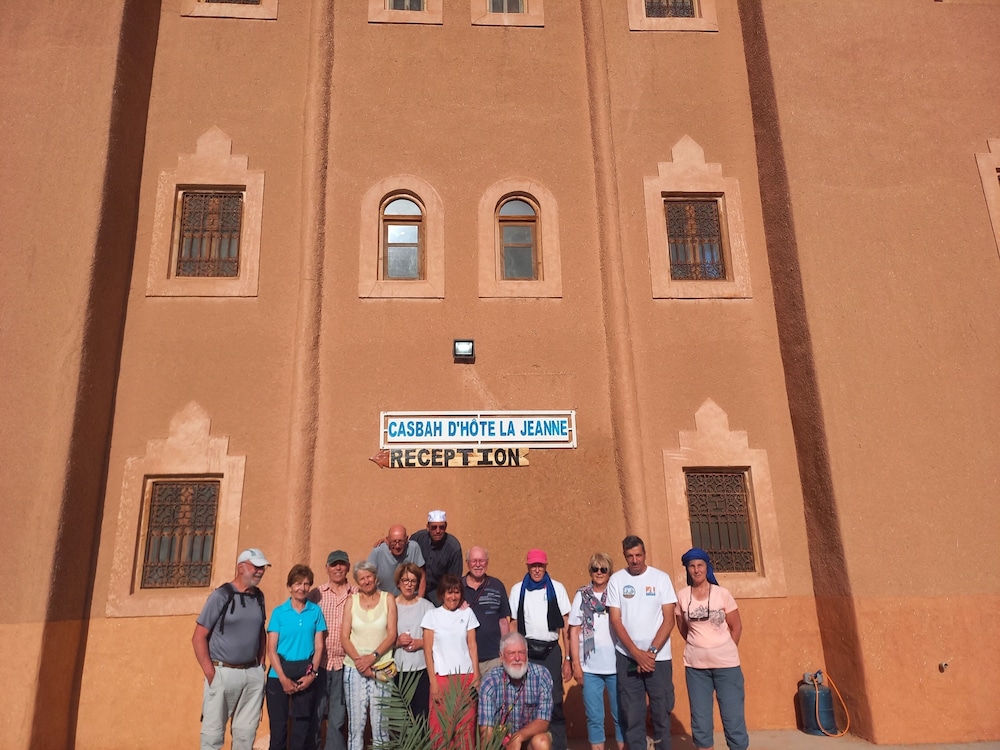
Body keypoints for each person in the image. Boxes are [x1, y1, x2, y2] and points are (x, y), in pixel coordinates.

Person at [193, 548, 270, 750]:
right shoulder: (221, 595)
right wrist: (211, 674)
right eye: (256, 567)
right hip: (223, 673)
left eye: (263, 568)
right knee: (213, 736)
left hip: (251, 674)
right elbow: (198, 637)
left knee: (246, 735)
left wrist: (260, 666)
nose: (260, 572)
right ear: (241, 567)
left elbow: (261, 630)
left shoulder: (259, 597)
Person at [607, 535, 678, 750]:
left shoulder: (661, 579)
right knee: (633, 715)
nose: (635, 560)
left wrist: (651, 652)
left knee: (661, 712)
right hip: (628, 657)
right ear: (625, 557)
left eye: (638, 555)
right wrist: (636, 653)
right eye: (630, 556)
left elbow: (669, 619)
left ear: (645, 554)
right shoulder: (616, 580)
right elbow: (615, 620)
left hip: (659, 659)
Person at [675, 548, 747, 750]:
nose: (696, 570)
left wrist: (725, 648)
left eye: (700, 565)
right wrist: (699, 644)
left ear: (707, 567)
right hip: (696, 668)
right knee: (701, 722)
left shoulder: (722, 594)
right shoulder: (682, 596)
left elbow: (736, 626)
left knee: (733, 719)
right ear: (687, 569)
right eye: (692, 566)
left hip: (727, 667)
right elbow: (683, 628)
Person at [508, 549, 571, 750]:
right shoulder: (518, 589)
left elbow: (566, 625)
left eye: (540, 566)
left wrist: (568, 658)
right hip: (526, 653)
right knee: (526, 700)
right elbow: (513, 624)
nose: (537, 569)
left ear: (545, 566)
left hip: (551, 652)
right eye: (533, 566)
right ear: (527, 566)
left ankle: (559, 746)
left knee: (554, 701)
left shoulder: (557, 588)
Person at [265, 564, 327, 750]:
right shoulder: (279, 612)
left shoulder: (315, 611)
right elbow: (271, 649)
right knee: (279, 729)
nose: (302, 588)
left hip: (305, 675)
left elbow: (319, 646)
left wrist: (312, 675)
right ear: (290, 586)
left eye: (307, 584)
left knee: (302, 728)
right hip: (278, 676)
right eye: (298, 583)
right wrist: (283, 679)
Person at [568, 553, 624, 750]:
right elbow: (573, 632)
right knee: (594, 718)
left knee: (621, 716)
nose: (599, 573)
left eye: (603, 569)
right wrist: (576, 664)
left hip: (617, 666)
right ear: (590, 571)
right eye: (595, 569)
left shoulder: (617, 595)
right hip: (590, 667)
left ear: (610, 571)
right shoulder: (581, 595)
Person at [341, 560, 398, 750]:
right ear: (357, 582)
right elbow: (344, 637)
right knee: (355, 727)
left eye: (369, 576)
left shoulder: (387, 598)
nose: (366, 581)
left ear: (375, 577)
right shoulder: (352, 601)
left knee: (381, 726)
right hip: (354, 668)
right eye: (362, 578)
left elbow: (392, 634)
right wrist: (360, 662)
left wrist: (372, 658)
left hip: (381, 667)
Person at [421, 573, 480, 750]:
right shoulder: (432, 616)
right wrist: (433, 682)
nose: (453, 597)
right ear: (442, 594)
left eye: (456, 593)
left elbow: (472, 646)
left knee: (466, 726)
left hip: (465, 678)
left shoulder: (467, 613)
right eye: (449, 593)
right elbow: (428, 651)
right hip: (442, 678)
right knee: (440, 727)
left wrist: (476, 675)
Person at [309, 550, 358, 750]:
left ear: (347, 566)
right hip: (319, 663)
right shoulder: (316, 594)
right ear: (327, 568)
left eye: (341, 564)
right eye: (333, 564)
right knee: (316, 716)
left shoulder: (356, 594)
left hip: (345, 664)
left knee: (338, 719)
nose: (337, 568)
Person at [478, 632, 554, 750]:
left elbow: (543, 722)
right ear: (501, 657)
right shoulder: (490, 681)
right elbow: (486, 729)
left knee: (542, 741)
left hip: (528, 738)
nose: (517, 658)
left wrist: (518, 737)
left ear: (527, 654)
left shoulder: (542, 675)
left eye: (521, 653)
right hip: (499, 741)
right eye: (511, 653)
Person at [393, 562, 435, 719]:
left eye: (412, 581)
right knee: (399, 719)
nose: (409, 585)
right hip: (397, 670)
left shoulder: (427, 607)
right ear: (398, 582)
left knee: (420, 717)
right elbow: (382, 637)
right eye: (405, 580)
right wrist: (397, 641)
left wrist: (421, 643)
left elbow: (437, 638)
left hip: (420, 670)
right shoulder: (391, 605)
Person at [462, 545, 511, 674]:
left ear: (487, 562)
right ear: (467, 563)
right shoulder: (457, 587)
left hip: (493, 658)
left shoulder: (497, 585)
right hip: (465, 658)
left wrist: (505, 650)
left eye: (481, 561)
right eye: (474, 561)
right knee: (468, 695)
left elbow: (503, 622)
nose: (478, 565)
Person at [410, 509, 463, 605]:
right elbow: (401, 545)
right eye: (434, 527)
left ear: (446, 527)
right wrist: (387, 541)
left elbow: (454, 579)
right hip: (416, 590)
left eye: (441, 527)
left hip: (438, 594)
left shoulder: (453, 548)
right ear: (427, 527)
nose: (438, 531)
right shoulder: (418, 538)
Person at [369, 524, 426, 597]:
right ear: (388, 540)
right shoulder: (378, 551)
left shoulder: (414, 548)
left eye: (401, 541)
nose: (397, 546)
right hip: (384, 598)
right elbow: (368, 575)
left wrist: (420, 601)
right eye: (394, 542)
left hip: (409, 598)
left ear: (406, 540)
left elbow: (422, 576)